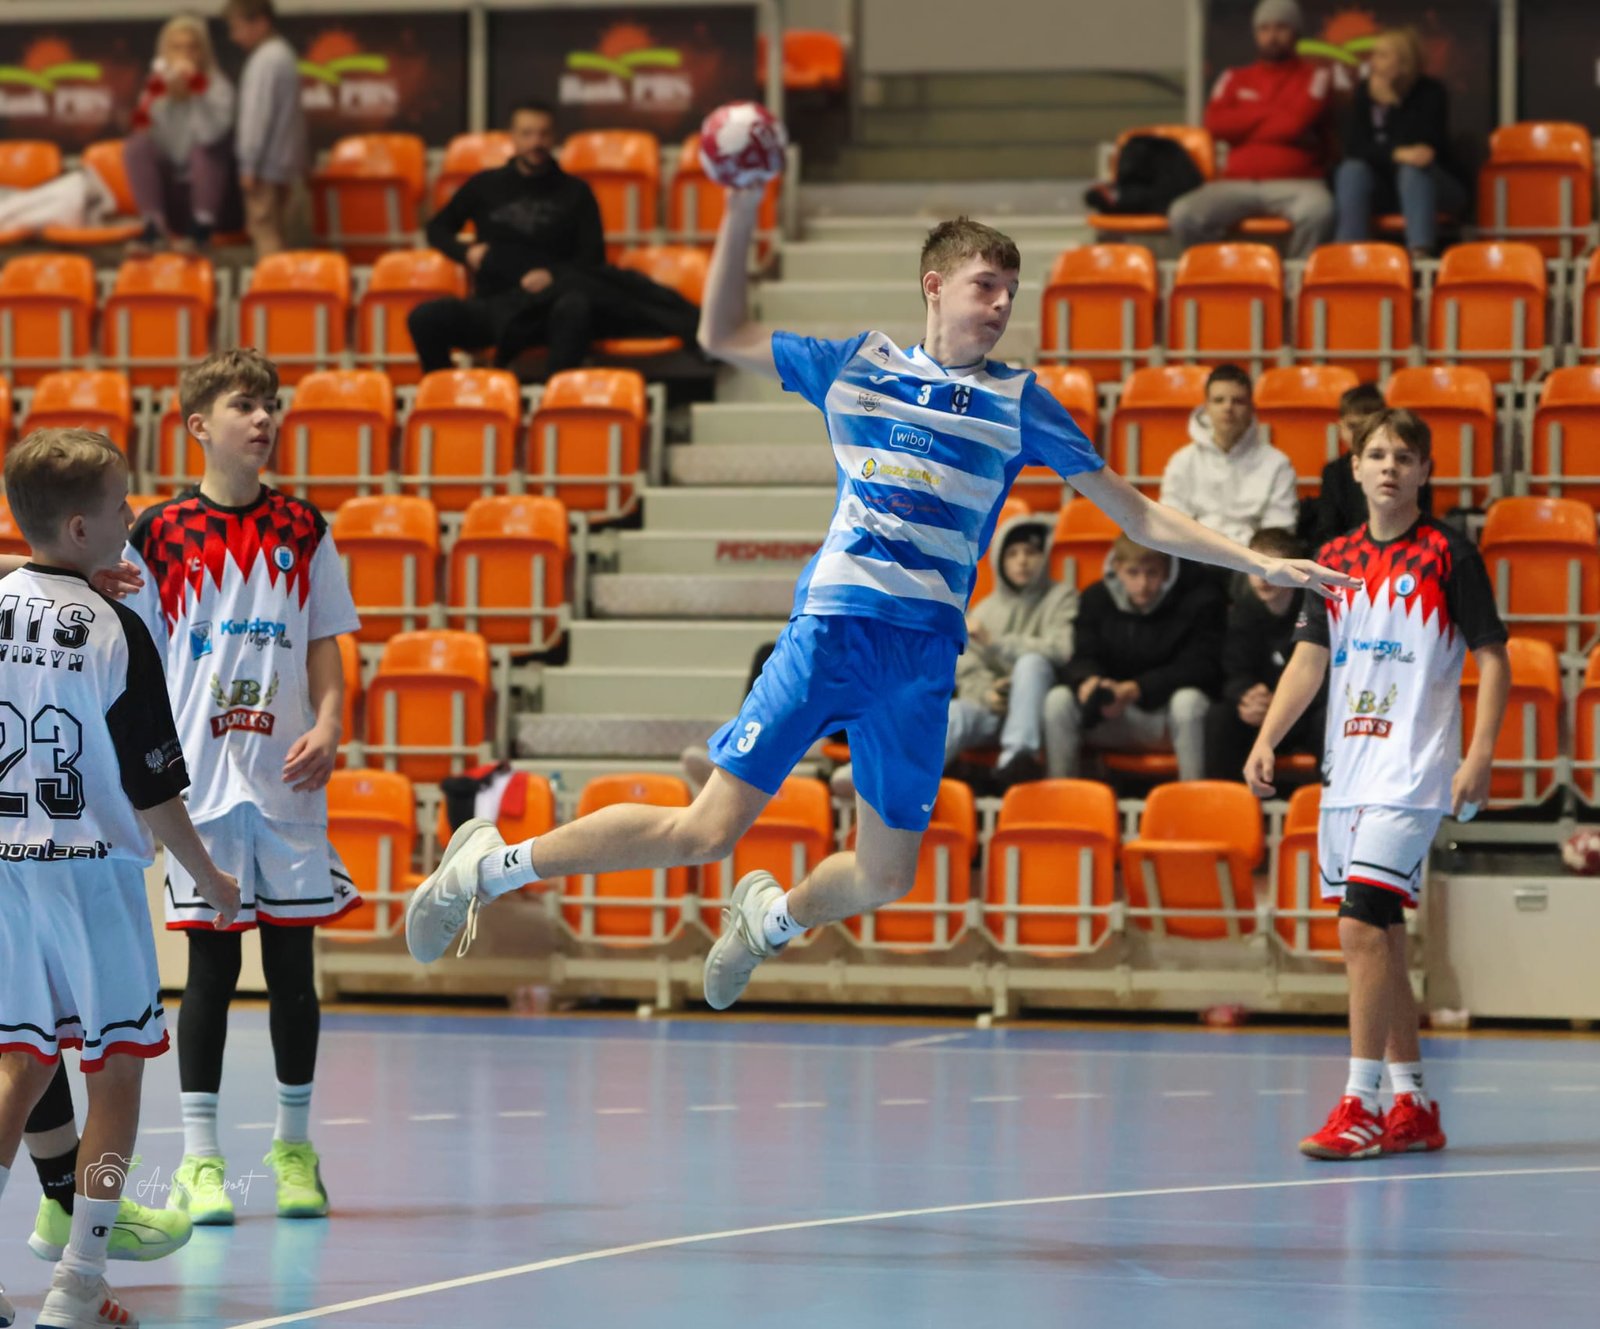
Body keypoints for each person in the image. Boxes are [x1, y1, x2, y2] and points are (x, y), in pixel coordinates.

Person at [401, 193, 1358, 1011]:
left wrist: (1258, 562)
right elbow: (719, 335)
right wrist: (742, 205)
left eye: (1012, 291)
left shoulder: (1020, 401)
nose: (1001, 305)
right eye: (986, 286)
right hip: (832, 632)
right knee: (703, 830)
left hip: (923, 659)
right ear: (935, 285)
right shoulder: (857, 365)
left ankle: (769, 919)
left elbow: (1137, 512)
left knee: (885, 874)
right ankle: (485, 866)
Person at [0, 428, 239, 1329]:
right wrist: (209, 875)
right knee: (119, 1074)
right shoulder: (117, 629)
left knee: (22, 1063)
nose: (132, 515)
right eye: (119, 505)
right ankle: (80, 1278)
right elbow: (153, 788)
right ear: (80, 526)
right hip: (91, 873)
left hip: (7, 872)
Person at [122, 349, 361, 1226]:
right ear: (198, 426)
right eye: (243, 405)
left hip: (287, 782)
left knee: (294, 971)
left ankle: (294, 1149)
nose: (263, 419)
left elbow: (327, 638)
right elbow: (134, 655)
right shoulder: (156, 533)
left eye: (270, 405)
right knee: (211, 972)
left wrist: (329, 723)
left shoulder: (305, 527)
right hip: (200, 790)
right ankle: (201, 1160)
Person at [1245, 407, 1509, 1160]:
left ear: (1424, 471)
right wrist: (1267, 738)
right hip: (1348, 771)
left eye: (1404, 456)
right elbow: (1309, 660)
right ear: (1354, 467)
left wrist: (1479, 753)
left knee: (1359, 926)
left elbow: (1494, 657)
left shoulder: (1448, 553)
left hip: (1414, 770)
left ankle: (1359, 1104)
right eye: (1378, 454)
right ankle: (1412, 1103)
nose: (1390, 466)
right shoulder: (1332, 559)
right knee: (1383, 934)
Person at [409, 101, 606, 376]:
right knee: (425, 317)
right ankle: (445, 391)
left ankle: (558, 396)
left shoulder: (577, 192)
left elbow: (593, 259)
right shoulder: (485, 185)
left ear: (554, 136)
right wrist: (465, 252)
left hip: (549, 306)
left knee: (575, 307)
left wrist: (553, 276)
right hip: (494, 305)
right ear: (512, 136)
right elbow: (437, 229)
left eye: (543, 133)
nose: (536, 142)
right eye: (527, 133)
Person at [1042, 537, 1223, 781]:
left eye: (1152, 573)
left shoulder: (1198, 597)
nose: (1143, 584)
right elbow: (1083, 655)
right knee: (1058, 700)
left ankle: (1194, 796)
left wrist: (1138, 688)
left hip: (1166, 719)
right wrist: (1089, 681)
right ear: (1117, 568)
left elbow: (1203, 666)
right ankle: (1062, 795)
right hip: (1109, 713)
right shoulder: (1095, 597)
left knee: (1188, 701)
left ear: (1167, 569)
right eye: (1133, 573)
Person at [1169, 0, 1335, 258]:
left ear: (1296, 33)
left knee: (1319, 211)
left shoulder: (1316, 76)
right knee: (1183, 214)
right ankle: (1222, 274)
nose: (1272, 36)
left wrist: (1245, 119)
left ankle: (1296, 279)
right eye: (1264, 29)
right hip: (1236, 183)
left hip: (1298, 184)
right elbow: (1214, 124)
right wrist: (1273, 111)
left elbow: (1294, 125)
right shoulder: (1234, 77)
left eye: (1281, 28)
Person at [947, 514, 1076, 787]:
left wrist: (995, 643)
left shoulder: (1063, 597)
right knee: (955, 713)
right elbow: (967, 666)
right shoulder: (984, 609)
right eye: (1013, 554)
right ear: (1000, 560)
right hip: (995, 709)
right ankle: (893, 784)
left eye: (1030, 552)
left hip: (1043, 709)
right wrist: (987, 692)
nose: (1022, 561)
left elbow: (1062, 650)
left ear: (1044, 557)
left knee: (1032, 663)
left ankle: (1017, 758)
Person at [1204, 527, 1325, 781]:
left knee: (1328, 718)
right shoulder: (1242, 612)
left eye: (1273, 567)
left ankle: (1328, 796)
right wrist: (1247, 695)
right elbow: (1234, 672)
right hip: (1261, 715)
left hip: (1305, 712)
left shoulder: (1313, 609)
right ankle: (1226, 800)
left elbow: (1324, 673)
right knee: (1220, 717)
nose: (1263, 577)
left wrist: (1283, 703)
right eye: (1257, 567)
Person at [1333, 27, 1467, 257]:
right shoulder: (1365, 92)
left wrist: (1393, 105)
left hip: (1432, 185)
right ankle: (1350, 253)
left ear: (1405, 63)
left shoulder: (1432, 92)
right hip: (1384, 187)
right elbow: (1355, 147)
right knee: (1352, 170)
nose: (1373, 62)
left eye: (1383, 56)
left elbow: (1423, 150)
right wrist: (1395, 153)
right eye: (1374, 55)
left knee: (1412, 170)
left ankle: (1419, 253)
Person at [125, 14, 241, 255]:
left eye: (192, 48)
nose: (184, 55)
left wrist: (196, 89)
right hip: (174, 200)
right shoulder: (156, 86)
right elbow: (141, 128)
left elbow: (210, 135)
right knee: (137, 145)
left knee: (205, 149)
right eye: (177, 48)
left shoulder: (219, 87)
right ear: (165, 53)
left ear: (203, 52)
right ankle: (153, 227)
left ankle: (201, 227)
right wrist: (163, 95)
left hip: (218, 201)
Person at [1159, 363, 1299, 545]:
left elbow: (1278, 530)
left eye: (1238, 401)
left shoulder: (1277, 464)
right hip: (1193, 552)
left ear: (1251, 409)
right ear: (1206, 407)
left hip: (1252, 556)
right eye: (1219, 400)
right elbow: (1171, 523)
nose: (1228, 408)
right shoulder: (1182, 461)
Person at [1300, 382, 1435, 549]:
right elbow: (1328, 531)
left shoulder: (1412, 467)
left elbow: (1422, 523)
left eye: (1368, 426)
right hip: (1348, 556)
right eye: (1353, 426)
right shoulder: (1334, 472)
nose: (1361, 434)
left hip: (1408, 550)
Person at [223, 0, 307, 257]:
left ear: (260, 23)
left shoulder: (265, 61)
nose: (234, 37)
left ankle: (273, 283)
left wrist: (248, 164)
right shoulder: (283, 54)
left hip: (264, 169)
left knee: (265, 235)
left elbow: (256, 116)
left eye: (237, 28)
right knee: (282, 237)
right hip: (284, 166)